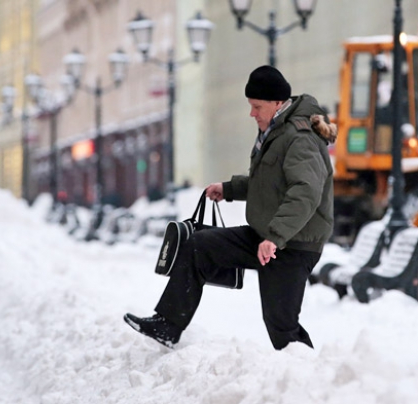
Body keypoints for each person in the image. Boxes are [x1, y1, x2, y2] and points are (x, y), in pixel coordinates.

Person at [124, 65, 337, 350]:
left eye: (257, 106)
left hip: (293, 244)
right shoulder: (277, 131)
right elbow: (270, 183)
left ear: (277, 103)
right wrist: (230, 189)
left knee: (281, 326)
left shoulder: (299, 138)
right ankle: (168, 324)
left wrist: (275, 237)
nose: (252, 113)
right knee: (199, 245)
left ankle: (309, 380)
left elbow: (305, 192)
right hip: (268, 235)